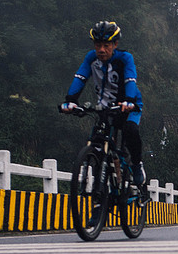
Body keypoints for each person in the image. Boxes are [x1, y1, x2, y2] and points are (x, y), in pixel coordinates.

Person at [61, 20, 147, 199]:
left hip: (129, 105)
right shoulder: (91, 58)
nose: (101, 50)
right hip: (105, 108)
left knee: (130, 130)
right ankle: (101, 200)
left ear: (115, 45)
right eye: (98, 45)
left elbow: (130, 80)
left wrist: (129, 101)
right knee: (100, 145)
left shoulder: (124, 59)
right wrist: (70, 101)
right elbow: (80, 77)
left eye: (106, 46)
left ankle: (137, 166)